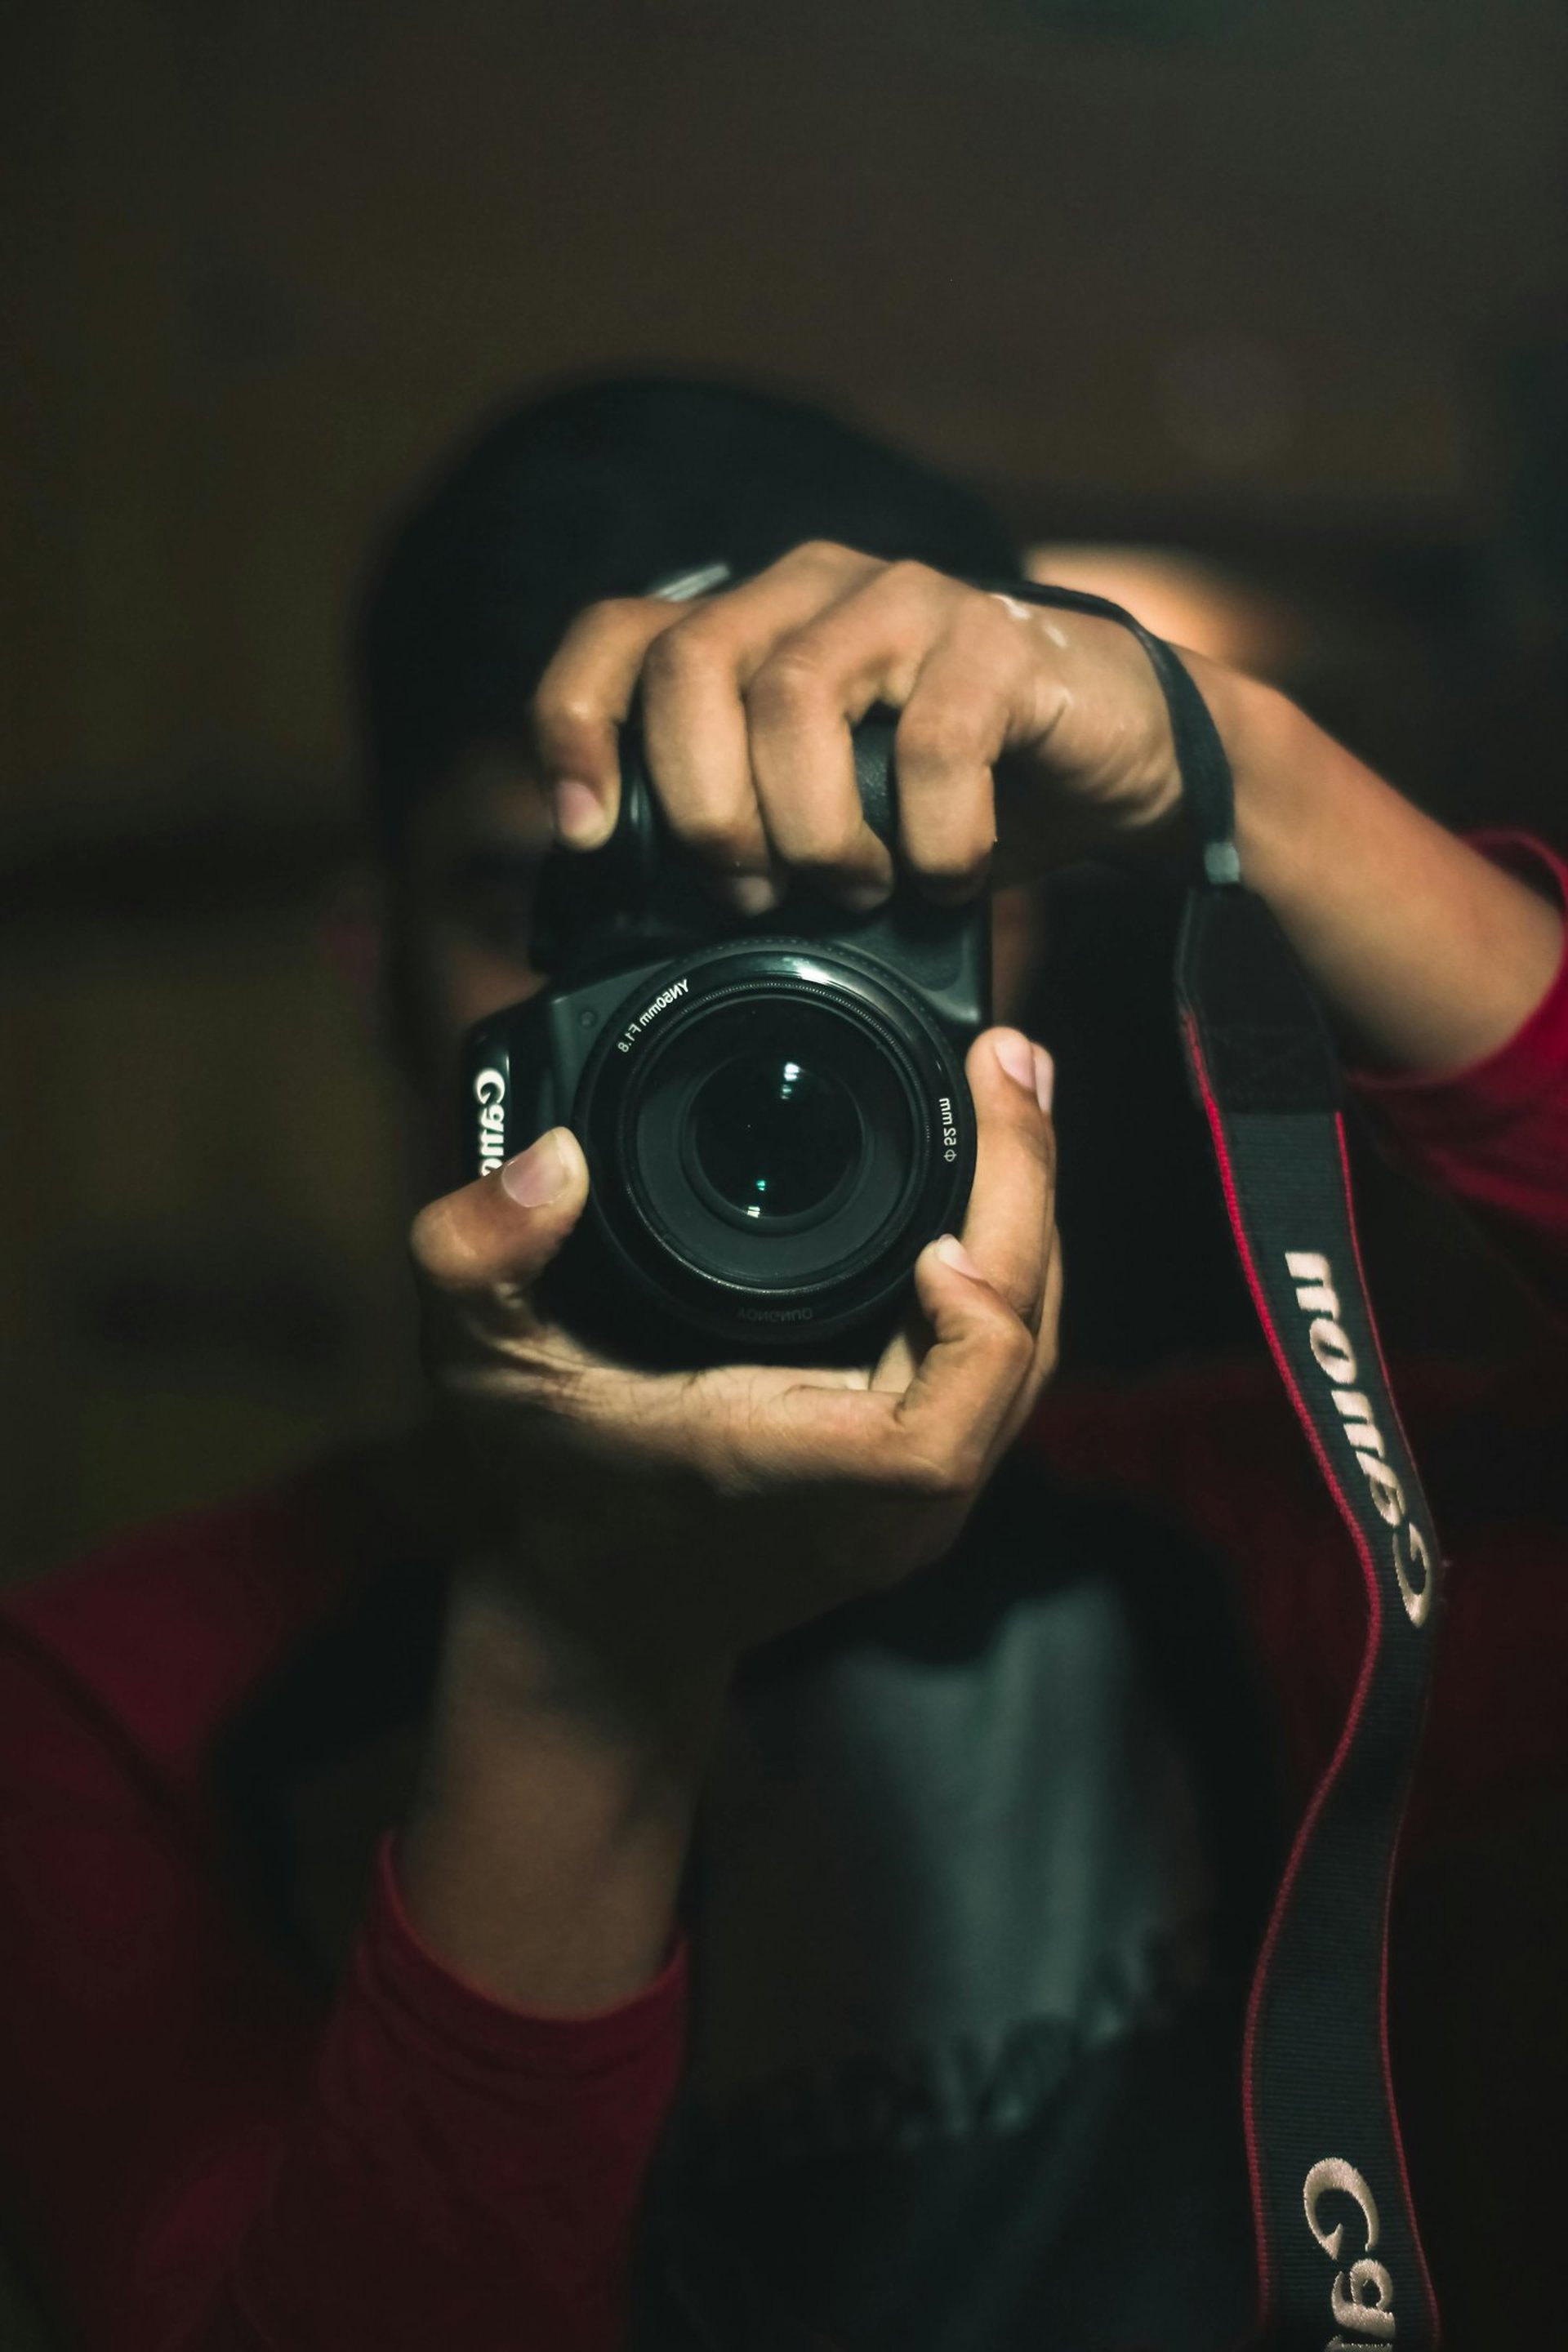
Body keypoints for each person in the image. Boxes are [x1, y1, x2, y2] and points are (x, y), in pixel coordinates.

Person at [0, 378, 1564, 2352]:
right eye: (567, 904)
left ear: (1018, 958)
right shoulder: (94, 1720)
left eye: (863, 891)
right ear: (374, 964)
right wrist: (584, 1659)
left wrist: (1256, 778)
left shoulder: (1234, 1542)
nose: (711, 1007)